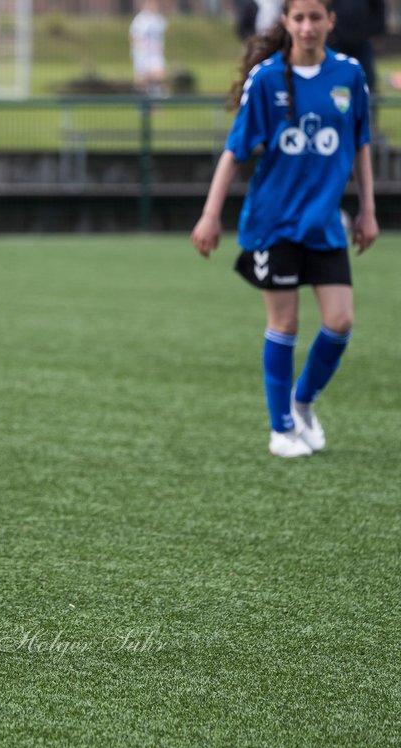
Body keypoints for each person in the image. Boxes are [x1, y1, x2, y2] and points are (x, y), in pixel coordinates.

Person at [190, 0, 377, 458]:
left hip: (324, 224)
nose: (308, 26)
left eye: (316, 17)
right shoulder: (269, 78)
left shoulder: (350, 75)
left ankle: (303, 402)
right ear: (286, 23)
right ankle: (280, 430)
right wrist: (211, 215)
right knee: (285, 323)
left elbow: (360, 146)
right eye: (299, 18)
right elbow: (234, 152)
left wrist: (368, 209)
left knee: (340, 322)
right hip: (273, 225)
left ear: (331, 21)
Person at [325, 0, 386, 92]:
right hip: (337, 42)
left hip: (362, 41)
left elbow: (378, 8)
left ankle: (370, 104)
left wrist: (376, 31)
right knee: (338, 81)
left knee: (367, 80)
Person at [129, 0, 168, 98]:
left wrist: (161, 48)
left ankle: (156, 101)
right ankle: (141, 102)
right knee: (142, 79)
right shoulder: (140, 20)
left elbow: (161, 36)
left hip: (155, 54)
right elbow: (133, 36)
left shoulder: (159, 19)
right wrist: (140, 48)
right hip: (143, 54)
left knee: (159, 75)